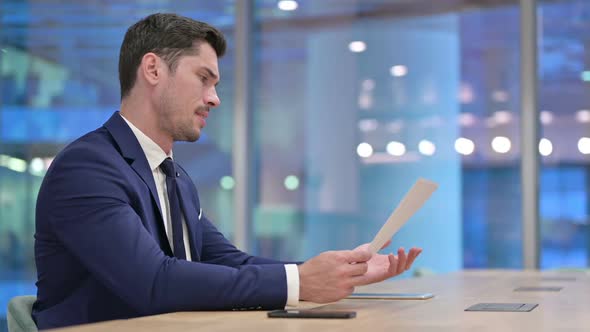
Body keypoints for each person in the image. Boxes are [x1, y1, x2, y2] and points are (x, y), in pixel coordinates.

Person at [32, 13, 422, 330]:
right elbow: (152, 282)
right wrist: (301, 282)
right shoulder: (87, 168)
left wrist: (333, 273)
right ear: (152, 69)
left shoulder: (175, 178)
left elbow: (229, 262)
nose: (214, 99)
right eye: (203, 79)